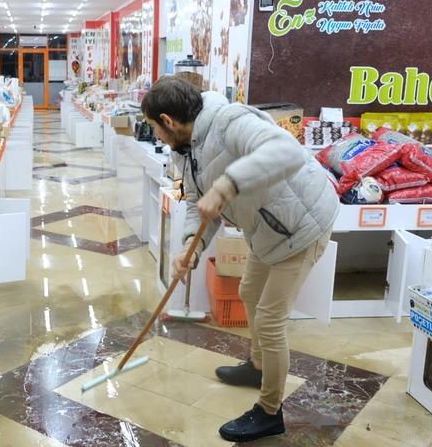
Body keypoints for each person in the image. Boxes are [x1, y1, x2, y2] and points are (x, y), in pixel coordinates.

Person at [141, 77, 338, 443]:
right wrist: (190, 247)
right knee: (249, 291)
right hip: (269, 232)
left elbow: (288, 151)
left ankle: (269, 412)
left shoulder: (229, 121)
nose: (155, 134)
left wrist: (227, 185)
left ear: (167, 120)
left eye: (154, 127)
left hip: (302, 224)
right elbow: (197, 202)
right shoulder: (186, 150)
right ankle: (258, 367)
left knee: (269, 319)